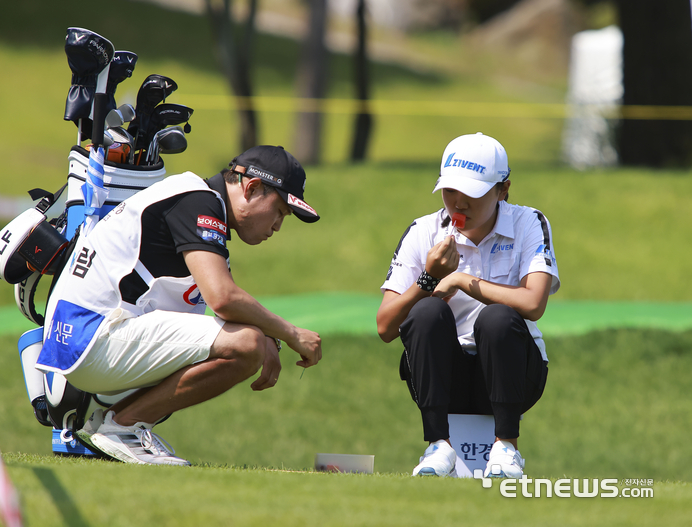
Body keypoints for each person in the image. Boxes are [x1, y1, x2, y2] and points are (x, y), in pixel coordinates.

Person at [36, 145, 323, 466]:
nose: (278, 226)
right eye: (279, 211)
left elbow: (223, 306)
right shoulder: (199, 201)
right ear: (252, 188)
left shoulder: (196, 198)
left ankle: (118, 424)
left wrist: (268, 335)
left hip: (79, 338)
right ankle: (124, 426)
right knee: (246, 344)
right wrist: (291, 334)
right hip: (88, 339)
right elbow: (223, 298)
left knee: (249, 339)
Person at [376, 132, 559, 478]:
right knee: (427, 312)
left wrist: (462, 281)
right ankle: (437, 447)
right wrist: (428, 279)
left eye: (472, 193)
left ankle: (506, 448)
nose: (458, 203)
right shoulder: (423, 230)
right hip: (443, 378)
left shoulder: (528, 222)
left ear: (503, 190)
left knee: (497, 318)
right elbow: (385, 327)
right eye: (449, 191)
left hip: (516, 375)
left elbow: (534, 303)